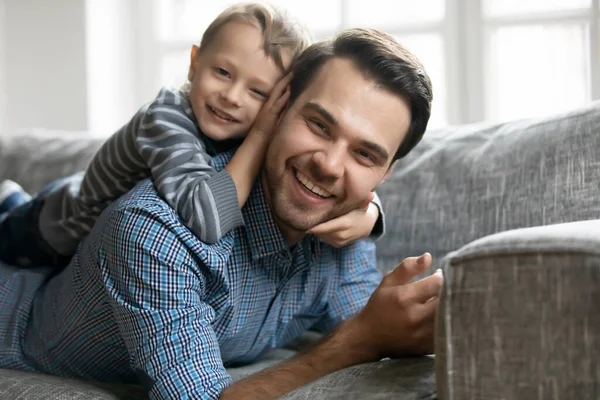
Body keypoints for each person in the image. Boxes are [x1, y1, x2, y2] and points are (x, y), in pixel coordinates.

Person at [0, 28, 441, 400]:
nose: (328, 165)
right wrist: (356, 341)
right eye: (319, 125)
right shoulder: (156, 232)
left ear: (385, 171)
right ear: (277, 109)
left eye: (364, 154)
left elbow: (377, 327)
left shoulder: (343, 228)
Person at [0, 2, 385, 268]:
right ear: (194, 62)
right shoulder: (165, 119)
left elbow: (325, 182)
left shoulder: (249, 130)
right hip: (51, 229)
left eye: (258, 92)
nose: (232, 98)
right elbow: (207, 217)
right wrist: (262, 132)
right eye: (222, 72)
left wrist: (370, 212)